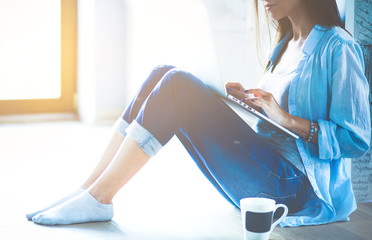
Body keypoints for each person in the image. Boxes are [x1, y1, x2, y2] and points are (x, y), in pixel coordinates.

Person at [27, 0, 370, 227]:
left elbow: (357, 139)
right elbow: (276, 120)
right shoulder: (284, 45)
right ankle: (89, 189)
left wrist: (284, 118)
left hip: (297, 188)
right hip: (269, 172)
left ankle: (100, 198)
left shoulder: (338, 47)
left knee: (177, 85)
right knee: (162, 73)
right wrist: (253, 104)